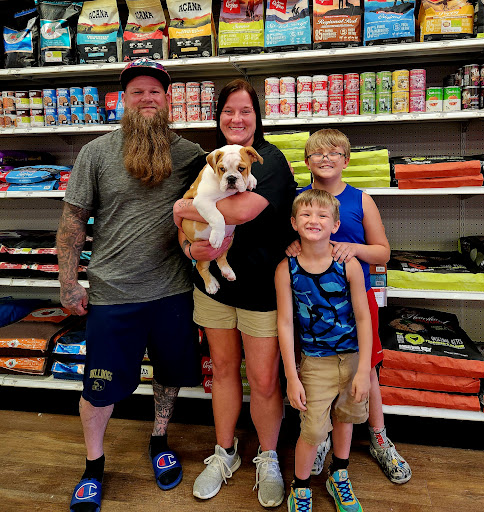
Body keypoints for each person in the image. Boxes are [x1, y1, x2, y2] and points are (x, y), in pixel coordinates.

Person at [57, 58, 212, 512]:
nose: (147, 98)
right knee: (98, 386)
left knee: (169, 374)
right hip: (112, 294)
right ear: (124, 100)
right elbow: (72, 220)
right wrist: (68, 282)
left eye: (155, 91)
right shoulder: (96, 153)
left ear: (168, 99)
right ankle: (93, 465)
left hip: (173, 291)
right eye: (137, 91)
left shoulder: (190, 154)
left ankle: (159, 439)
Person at [173, 78, 297, 508]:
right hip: (213, 287)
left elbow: (240, 210)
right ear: (218, 116)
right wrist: (189, 246)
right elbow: (179, 221)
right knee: (223, 370)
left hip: (262, 285)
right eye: (228, 111)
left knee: (263, 379)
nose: (237, 119)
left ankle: (268, 457)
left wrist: (186, 207)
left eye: (246, 110)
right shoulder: (207, 161)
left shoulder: (270, 160)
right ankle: (224, 452)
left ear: (258, 116)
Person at [287, 128, 412, 484]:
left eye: (334, 152)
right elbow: (289, 242)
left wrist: (353, 248)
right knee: (317, 369)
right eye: (318, 152)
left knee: (365, 368)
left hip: (356, 300)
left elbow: (383, 252)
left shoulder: (361, 199)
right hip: (313, 303)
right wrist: (291, 247)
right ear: (306, 161)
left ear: (346, 160)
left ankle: (379, 437)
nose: (326, 158)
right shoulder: (300, 201)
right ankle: (321, 437)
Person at [276, 188, 372, 512]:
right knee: (313, 429)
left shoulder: (348, 265)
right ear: (294, 223)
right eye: (305, 214)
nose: (313, 220)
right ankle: (300, 487)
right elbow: (285, 324)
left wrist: (363, 370)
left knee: (346, 418)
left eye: (322, 215)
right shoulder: (286, 269)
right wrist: (292, 376)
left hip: (352, 358)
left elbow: (363, 318)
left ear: (335, 224)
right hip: (315, 362)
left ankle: (338, 474)